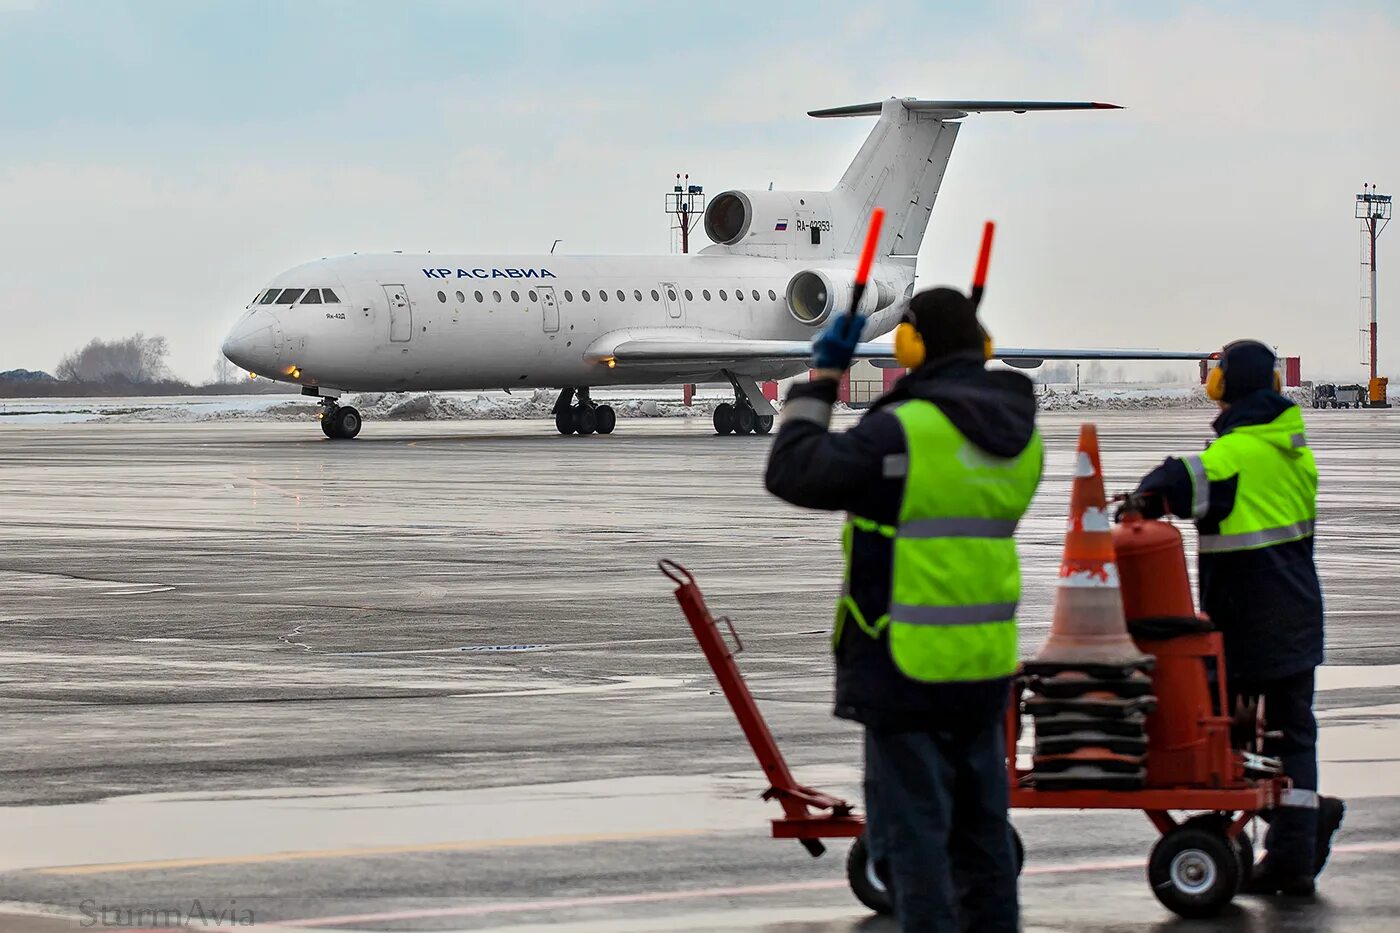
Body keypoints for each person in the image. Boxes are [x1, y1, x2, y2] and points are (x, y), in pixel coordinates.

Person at [765, 287, 1042, 932]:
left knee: (916, 836)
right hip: (985, 663)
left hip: (906, 658)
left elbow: (793, 471)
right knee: (982, 834)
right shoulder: (1021, 437)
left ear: (911, 345)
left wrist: (823, 379)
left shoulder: (906, 431)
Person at [1129, 339, 1344, 896]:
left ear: (1223, 385)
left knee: (1225, 732)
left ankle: (1294, 827)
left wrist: (1142, 499)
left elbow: (1178, 479)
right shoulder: (1292, 452)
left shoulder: (1236, 455)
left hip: (1247, 624)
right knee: (1291, 737)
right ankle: (1295, 851)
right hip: (1299, 616)